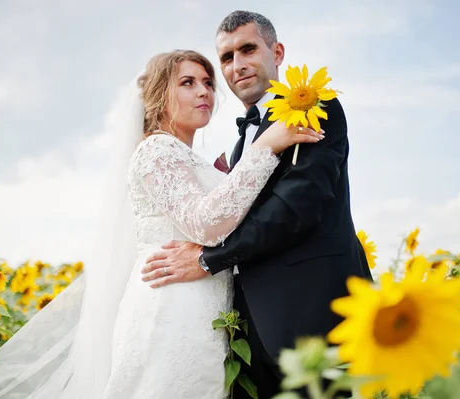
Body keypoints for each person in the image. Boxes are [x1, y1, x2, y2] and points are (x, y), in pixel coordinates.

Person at [0, 50, 322, 399]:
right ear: (160, 94)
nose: (204, 91)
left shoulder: (185, 157)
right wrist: (265, 147)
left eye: (208, 83)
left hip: (201, 308)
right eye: (188, 83)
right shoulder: (154, 151)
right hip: (169, 306)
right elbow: (206, 224)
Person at [141, 11, 373, 399]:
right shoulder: (237, 147)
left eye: (248, 49)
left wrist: (207, 259)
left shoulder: (314, 106)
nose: (237, 65)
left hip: (315, 316)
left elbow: (295, 208)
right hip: (247, 332)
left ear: (277, 51)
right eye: (227, 58)